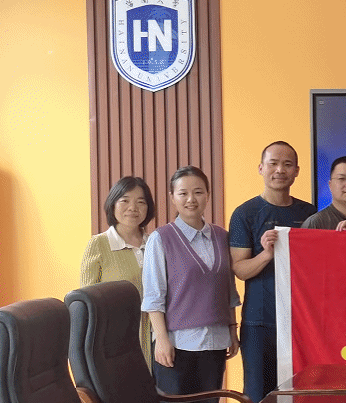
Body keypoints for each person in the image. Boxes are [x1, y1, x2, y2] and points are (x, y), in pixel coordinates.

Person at [229, 141, 317, 403]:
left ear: (297, 171)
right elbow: (240, 270)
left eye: (287, 164)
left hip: (300, 321)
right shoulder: (244, 214)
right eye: (273, 163)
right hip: (259, 323)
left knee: (301, 394)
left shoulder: (310, 213)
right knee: (259, 395)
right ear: (260, 168)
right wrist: (266, 254)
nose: (280, 170)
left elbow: (319, 267)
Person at [142, 166, 239, 401]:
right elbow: (154, 295)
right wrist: (161, 340)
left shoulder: (222, 236)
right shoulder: (161, 238)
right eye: (183, 193)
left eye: (198, 192)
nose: (191, 199)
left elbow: (229, 290)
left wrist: (232, 331)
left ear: (208, 195)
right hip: (177, 345)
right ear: (172, 197)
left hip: (215, 343)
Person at [80, 175, 156, 367]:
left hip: (156, 339)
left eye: (141, 202)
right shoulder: (99, 245)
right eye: (125, 201)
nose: (133, 208)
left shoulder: (156, 243)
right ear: (112, 204)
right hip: (115, 342)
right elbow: (86, 303)